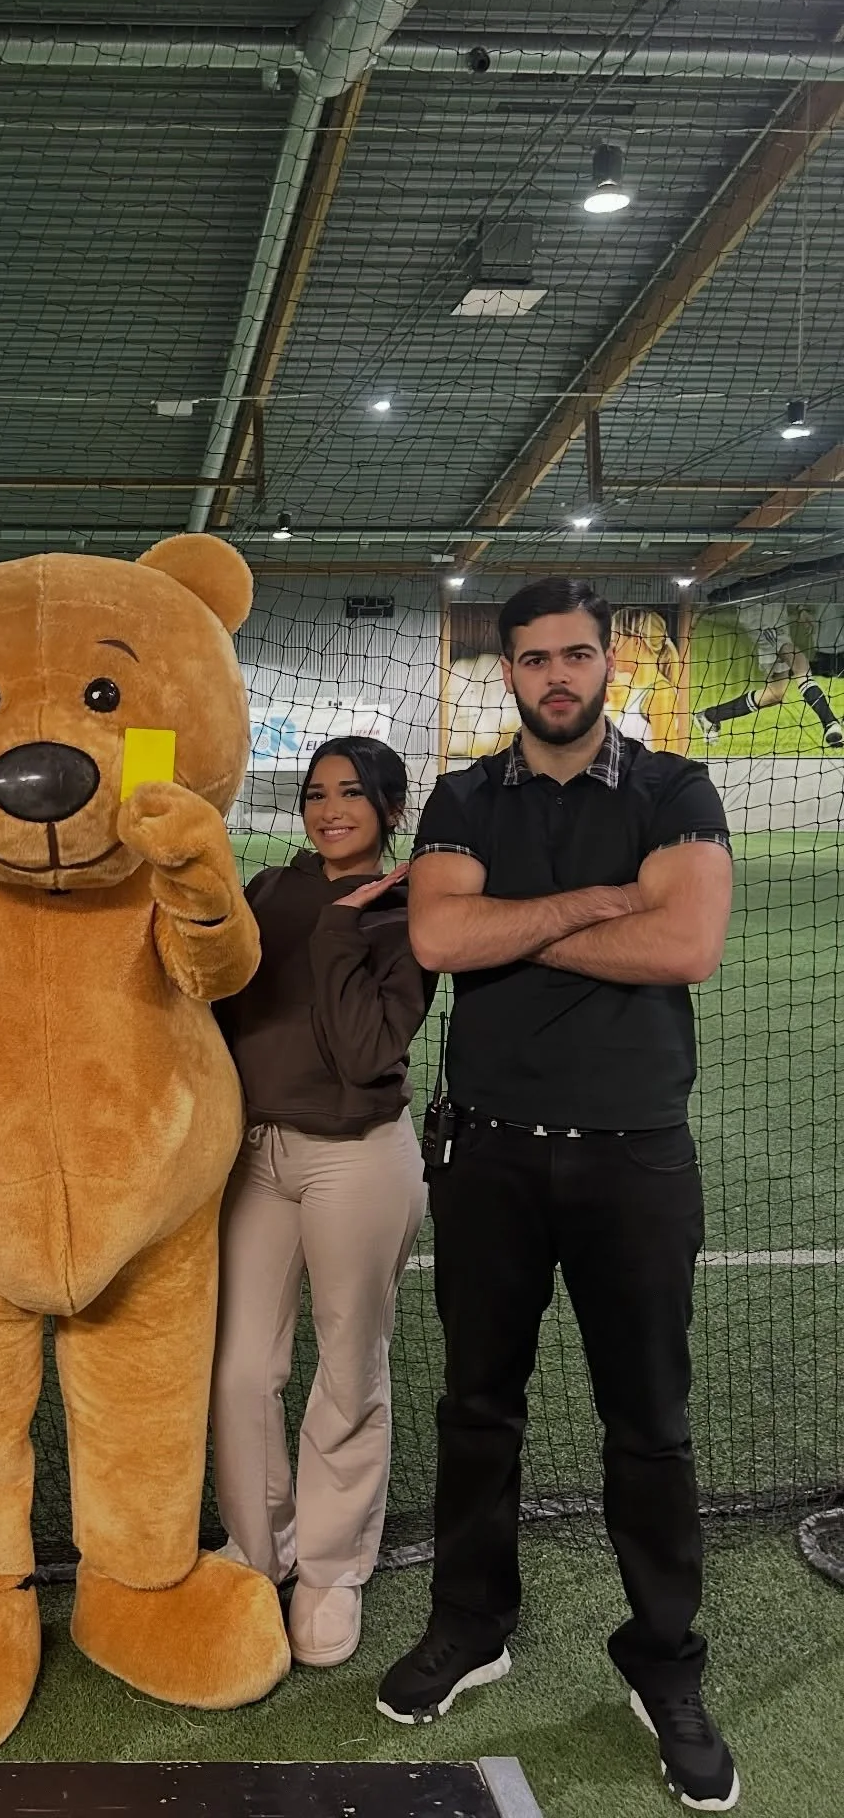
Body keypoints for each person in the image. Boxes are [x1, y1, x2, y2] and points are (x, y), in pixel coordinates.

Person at [376, 580, 738, 1812]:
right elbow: (435, 941)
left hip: (637, 1155)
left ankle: (664, 1661)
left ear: (605, 663)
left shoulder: (674, 789)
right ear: (510, 673)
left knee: (651, 1421)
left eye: (576, 654)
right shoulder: (465, 795)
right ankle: (473, 1624)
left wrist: (509, 925)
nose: (557, 676)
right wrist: (603, 900)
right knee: (478, 1406)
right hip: (489, 1155)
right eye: (534, 659)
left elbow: (687, 947)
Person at [212, 737, 433, 1668]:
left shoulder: (415, 911)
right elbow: (220, 1007)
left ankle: (333, 1570)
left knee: (348, 1368)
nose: (329, 808)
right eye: (314, 793)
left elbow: (364, 1050)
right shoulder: (267, 891)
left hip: (360, 1161)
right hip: (256, 1155)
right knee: (238, 1374)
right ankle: (258, 1555)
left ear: (388, 808)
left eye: (351, 793)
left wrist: (345, 928)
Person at [695, 600, 843, 749]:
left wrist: (800, 608)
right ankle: (830, 723)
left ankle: (710, 716)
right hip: (761, 615)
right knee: (800, 665)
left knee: (774, 694)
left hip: (774, 615)